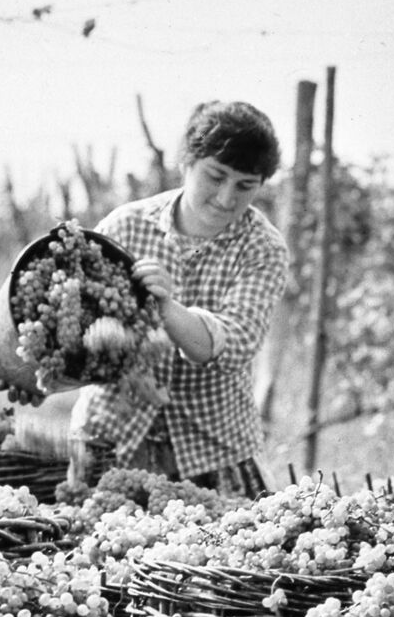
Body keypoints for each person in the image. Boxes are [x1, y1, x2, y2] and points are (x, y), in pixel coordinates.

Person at [70, 100, 288, 500]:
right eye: (215, 176)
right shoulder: (124, 227)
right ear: (186, 163)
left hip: (214, 448)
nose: (225, 198)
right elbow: (74, 321)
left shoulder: (263, 248)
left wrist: (165, 308)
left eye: (245, 185)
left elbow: (232, 345)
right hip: (112, 440)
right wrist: (121, 363)